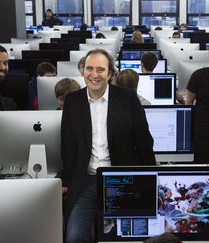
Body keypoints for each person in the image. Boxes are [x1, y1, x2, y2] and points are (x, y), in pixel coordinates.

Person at [60, 49, 156, 242]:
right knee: (73, 237)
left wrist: (149, 181)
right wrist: (67, 182)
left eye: (100, 69)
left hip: (122, 179)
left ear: (110, 73)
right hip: (86, 180)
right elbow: (68, 146)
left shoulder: (128, 99)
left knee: (125, 237)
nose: (94, 75)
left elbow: (144, 142)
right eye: (89, 69)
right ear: (82, 71)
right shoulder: (73, 101)